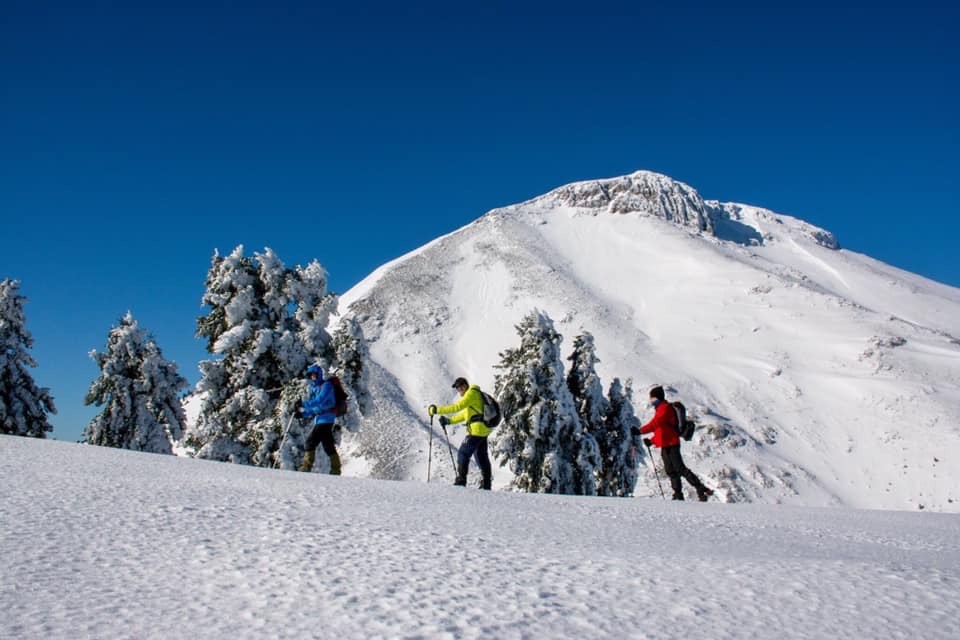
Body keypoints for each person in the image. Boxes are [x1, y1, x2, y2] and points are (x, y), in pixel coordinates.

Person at [633, 385, 713, 501]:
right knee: (671, 471)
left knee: (680, 468)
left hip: (672, 443)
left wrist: (640, 431)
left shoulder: (665, 408)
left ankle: (701, 489)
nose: (651, 401)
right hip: (666, 444)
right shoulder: (660, 409)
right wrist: (652, 441)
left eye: (653, 399)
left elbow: (656, 424)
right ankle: (678, 494)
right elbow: (661, 431)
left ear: (658, 398)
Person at [428, 377, 492, 490]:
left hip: (476, 431)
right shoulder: (474, 395)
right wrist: (449, 421)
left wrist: (436, 410)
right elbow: (465, 415)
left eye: (460, 387)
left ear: (465, 385)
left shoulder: (471, 393)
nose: (459, 390)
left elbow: (457, 407)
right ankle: (486, 484)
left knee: (463, 453)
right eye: (457, 388)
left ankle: (461, 481)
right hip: (483, 430)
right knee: (481, 457)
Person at [299, 364, 342, 475]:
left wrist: (303, 404)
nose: (313, 377)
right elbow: (316, 408)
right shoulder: (315, 388)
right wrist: (303, 414)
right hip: (321, 419)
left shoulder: (327, 386)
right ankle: (335, 470)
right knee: (328, 445)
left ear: (319, 375)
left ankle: (306, 467)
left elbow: (320, 401)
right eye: (311, 375)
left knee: (310, 442)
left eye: (314, 375)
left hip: (326, 419)